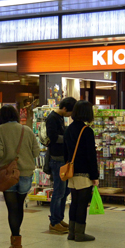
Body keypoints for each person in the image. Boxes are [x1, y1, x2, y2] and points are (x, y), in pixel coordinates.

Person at [0, 105, 39, 248]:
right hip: (25, 173)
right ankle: (17, 241)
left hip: (8, 175)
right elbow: (36, 152)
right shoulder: (27, 130)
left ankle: (16, 242)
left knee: (12, 209)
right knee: (19, 207)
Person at [63, 100, 99, 242]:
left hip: (71, 171)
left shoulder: (68, 129)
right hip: (84, 172)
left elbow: (65, 152)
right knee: (82, 204)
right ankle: (80, 233)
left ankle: (71, 232)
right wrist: (94, 175)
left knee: (74, 202)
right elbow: (91, 156)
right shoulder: (87, 131)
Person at [45, 97, 77, 234]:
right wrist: (68, 137)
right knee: (58, 192)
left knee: (65, 191)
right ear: (65, 109)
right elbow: (53, 137)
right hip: (56, 159)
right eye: (70, 112)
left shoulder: (59, 117)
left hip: (62, 159)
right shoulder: (52, 118)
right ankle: (54, 222)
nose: (71, 115)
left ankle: (58, 218)